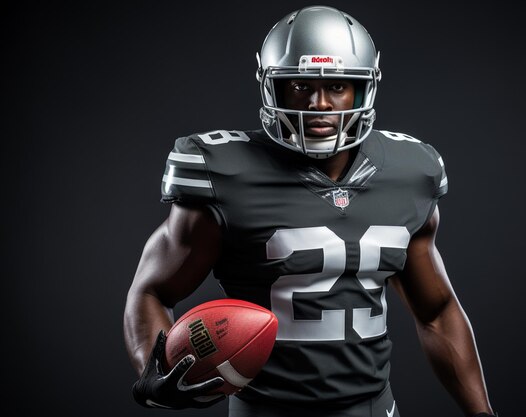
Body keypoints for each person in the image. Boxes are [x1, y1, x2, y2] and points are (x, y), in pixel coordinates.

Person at [123, 5, 497, 417]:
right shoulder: (222, 172)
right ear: (271, 87)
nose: (319, 103)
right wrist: (153, 369)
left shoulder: (412, 172)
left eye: (338, 86)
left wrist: (482, 413)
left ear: (365, 88)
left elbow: (438, 312)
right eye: (300, 85)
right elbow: (152, 290)